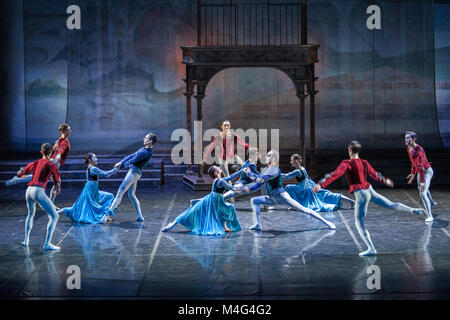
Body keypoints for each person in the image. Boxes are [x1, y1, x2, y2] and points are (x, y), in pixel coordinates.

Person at [313, 140, 425, 256]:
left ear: (350, 150)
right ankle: (412, 210)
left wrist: (321, 184)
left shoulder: (347, 163)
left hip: (361, 194)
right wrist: (385, 180)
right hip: (369, 190)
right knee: (391, 204)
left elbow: (334, 174)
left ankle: (371, 248)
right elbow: (375, 174)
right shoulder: (364, 162)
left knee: (358, 222)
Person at [245, 150, 336, 231]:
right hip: (272, 198)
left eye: (269, 155)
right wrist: (250, 188)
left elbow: (260, 179)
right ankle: (257, 224)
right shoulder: (266, 169)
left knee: (304, 210)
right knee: (254, 200)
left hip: (282, 197)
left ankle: (326, 222)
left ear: (274, 159)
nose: (266, 157)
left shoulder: (274, 170)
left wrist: (249, 172)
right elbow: (260, 182)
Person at [161, 165, 245, 235]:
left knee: (226, 209)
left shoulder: (219, 180)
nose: (219, 167)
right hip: (215, 200)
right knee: (228, 208)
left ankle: (224, 226)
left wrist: (241, 171)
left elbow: (231, 177)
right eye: (217, 168)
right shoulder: (221, 181)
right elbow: (231, 188)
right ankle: (171, 225)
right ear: (216, 172)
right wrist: (244, 189)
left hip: (214, 199)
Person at [6, 123, 71, 205]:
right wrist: (59, 154)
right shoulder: (63, 142)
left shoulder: (60, 140)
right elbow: (62, 148)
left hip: (53, 162)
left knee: (37, 176)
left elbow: (58, 147)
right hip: (52, 163)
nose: (70, 131)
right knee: (55, 183)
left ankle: (16, 180)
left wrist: (56, 148)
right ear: (62, 131)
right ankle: (51, 204)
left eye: (69, 129)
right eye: (68, 130)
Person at [18, 143, 61, 250]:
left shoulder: (36, 162)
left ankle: (26, 240)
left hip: (29, 191)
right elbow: (57, 179)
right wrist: (57, 189)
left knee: (31, 214)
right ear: (51, 153)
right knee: (55, 216)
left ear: (41, 152)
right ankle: (47, 244)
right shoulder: (52, 165)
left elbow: (21, 172)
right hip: (38, 190)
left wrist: (20, 173)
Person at [106, 133, 157, 221]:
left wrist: (120, 167)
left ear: (150, 141)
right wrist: (121, 163)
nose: (143, 139)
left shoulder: (146, 152)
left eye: (146, 138)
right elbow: (132, 156)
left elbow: (133, 160)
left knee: (119, 193)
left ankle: (105, 216)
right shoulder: (144, 149)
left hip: (133, 173)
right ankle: (140, 216)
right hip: (136, 173)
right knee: (131, 194)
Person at [58, 153, 118, 224]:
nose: (96, 159)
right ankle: (104, 216)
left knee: (77, 208)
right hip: (91, 191)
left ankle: (55, 212)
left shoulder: (90, 168)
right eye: (95, 158)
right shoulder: (93, 168)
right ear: (90, 159)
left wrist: (115, 171)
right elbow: (105, 174)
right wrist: (115, 169)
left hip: (92, 190)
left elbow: (106, 175)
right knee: (78, 209)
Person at [282, 154, 355, 212]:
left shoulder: (297, 171)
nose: (291, 162)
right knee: (327, 194)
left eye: (292, 160)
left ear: (297, 160)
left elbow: (287, 176)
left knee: (288, 187)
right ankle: (351, 201)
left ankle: (295, 205)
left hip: (306, 189)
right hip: (311, 186)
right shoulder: (303, 168)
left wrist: (277, 174)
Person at [405, 131, 436, 222]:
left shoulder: (419, 150)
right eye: (405, 138)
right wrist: (413, 174)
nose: (406, 140)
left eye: (408, 138)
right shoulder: (409, 148)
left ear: (413, 139)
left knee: (422, 193)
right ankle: (431, 200)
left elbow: (421, 167)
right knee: (421, 189)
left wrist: (422, 182)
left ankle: (430, 215)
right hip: (420, 170)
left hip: (426, 171)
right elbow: (413, 163)